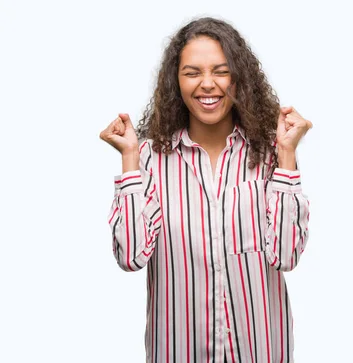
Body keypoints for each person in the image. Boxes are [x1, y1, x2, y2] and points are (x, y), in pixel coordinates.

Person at [99, 17, 312, 363]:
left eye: (221, 71)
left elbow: (286, 256)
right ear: (176, 81)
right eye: (192, 72)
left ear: (239, 79)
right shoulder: (150, 159)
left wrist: (287, 153)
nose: (208, 84)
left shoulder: (272, 154)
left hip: (261, 351)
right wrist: (129, 159)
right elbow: (131, 257)